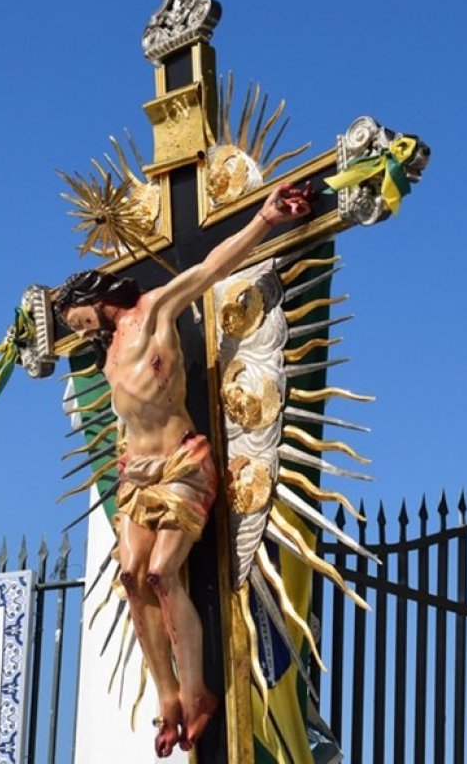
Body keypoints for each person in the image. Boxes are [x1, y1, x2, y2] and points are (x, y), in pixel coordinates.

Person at [55, 183, 311, 756]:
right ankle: (167, 698)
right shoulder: (106, 349)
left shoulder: (154, 312)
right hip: (136, 474)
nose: (78, 330)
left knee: (161, 575)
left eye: (78, 317)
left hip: (180, 464)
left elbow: (211, 265)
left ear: (96, 298)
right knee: (130, 579)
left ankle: (197, 694)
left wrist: (265, 219)